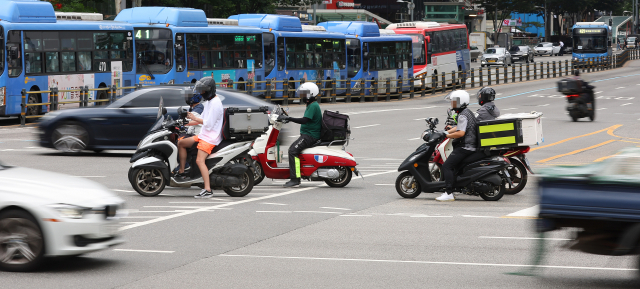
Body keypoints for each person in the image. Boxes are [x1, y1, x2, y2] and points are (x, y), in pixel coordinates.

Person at [174, 77, 224, 199]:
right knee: (181, 143)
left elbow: (209, 123)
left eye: (203, 90)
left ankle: (207, 189)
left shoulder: (216, 104)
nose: (201, 93)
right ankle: (182, 171)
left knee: (199, 161)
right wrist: (184, 123)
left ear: (209, 90)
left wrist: (194, 119)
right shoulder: (209, 102)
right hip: (204, 134)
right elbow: (202, 121)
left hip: (210, 137)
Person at [277, 83, 323, 188]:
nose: (302, 96)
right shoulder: (312, 105)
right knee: (294, 150)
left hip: (310, 136)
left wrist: (289, 118)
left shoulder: (313, 106)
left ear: (310, 94)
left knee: (292, 151)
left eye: (304, 94)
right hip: (308, 134)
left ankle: (295, 179)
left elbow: (304, 120)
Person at [437, 90, 478, 202]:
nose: (452, 104)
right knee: (454, 166)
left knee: (446, 166)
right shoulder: (466, 112)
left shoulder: (462, 115)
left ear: (460, 102)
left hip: (466, 146)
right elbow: (459, 127)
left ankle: (449, 193)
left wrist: (448, 136)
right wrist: (446, 132)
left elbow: (461, 133)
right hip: (471, 144)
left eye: (454, 102)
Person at [172, 93, 205, 175]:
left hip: (198, 134)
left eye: (189, 97)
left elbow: (189, 120)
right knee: (179, 137)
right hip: (193, 132)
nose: (187, 98)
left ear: (194, 99)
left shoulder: (198, 109)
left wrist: (177, 122)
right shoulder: (194, 108)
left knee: (179, 141)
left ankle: (184, 166)